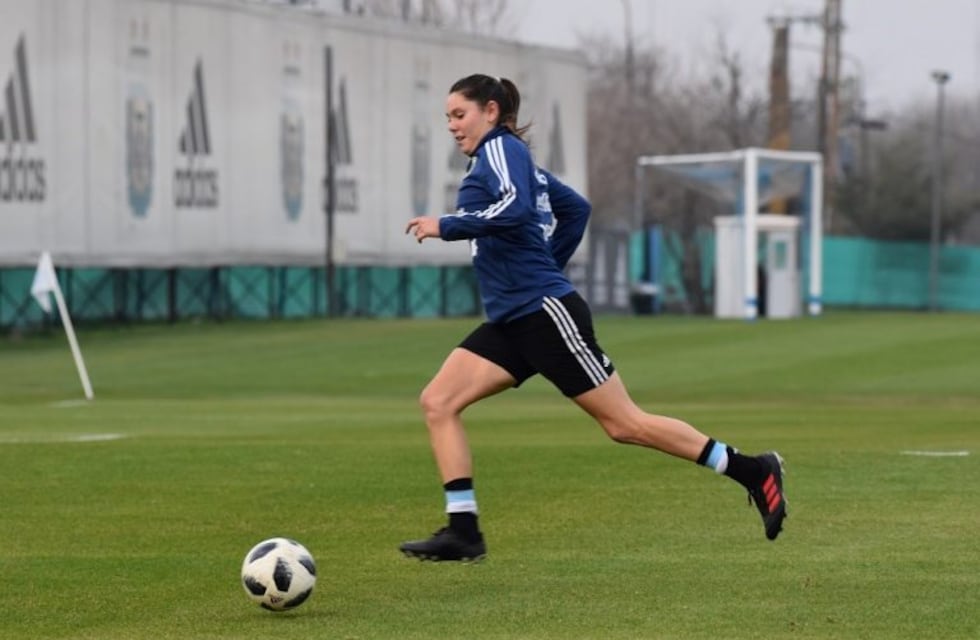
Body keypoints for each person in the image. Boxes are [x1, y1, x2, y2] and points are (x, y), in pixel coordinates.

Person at [400, 74, 786, 562]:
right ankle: (463, 530)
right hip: (513, 319)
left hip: (542, 314)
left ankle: (754, 471)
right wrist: (543, 263)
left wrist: (449, 226)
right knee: (438, 401)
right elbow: (575, 209)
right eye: (448, 118)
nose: (453, 126)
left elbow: (517, 209)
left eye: (460, 114)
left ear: (491, 111)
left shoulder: (501, 149)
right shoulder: (501, 162)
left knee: (626, 425)